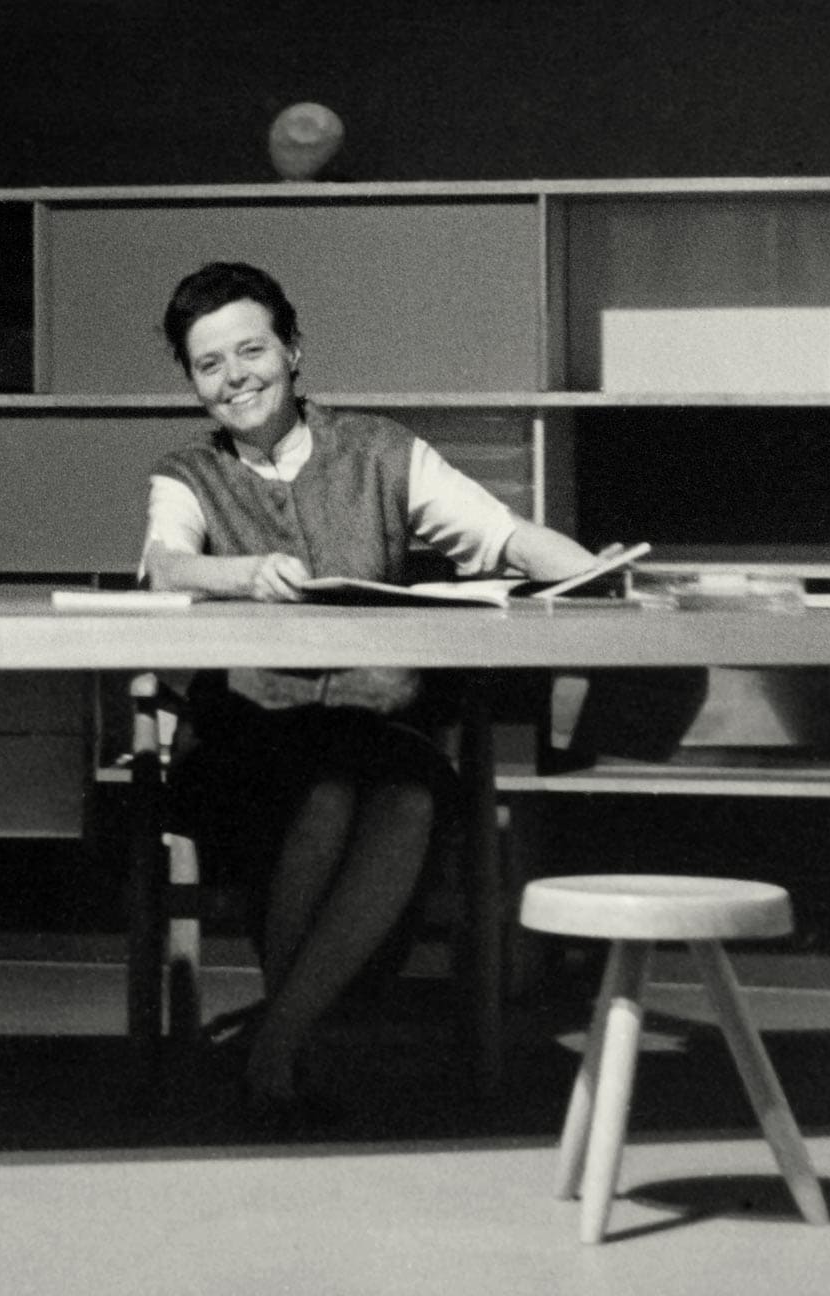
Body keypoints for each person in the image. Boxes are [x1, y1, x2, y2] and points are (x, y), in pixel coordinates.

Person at [137, 260, 605, 1122]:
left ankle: (276, 1041)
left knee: (405, 798)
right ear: (192, 380)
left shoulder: (382, 450)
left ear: (294, 348)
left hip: (370, 722)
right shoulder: (185, 474)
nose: (236, 377)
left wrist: (604, 579)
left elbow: (503, 536)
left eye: (252, 350)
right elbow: (166, 563)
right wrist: (241, 573)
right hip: (247, 733)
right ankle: (289, 1045)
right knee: (322, 796)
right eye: (210, 365)